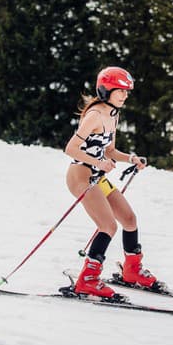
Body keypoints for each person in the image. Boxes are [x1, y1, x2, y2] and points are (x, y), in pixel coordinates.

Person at [63, 66, 160, 299]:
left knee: (129, 219)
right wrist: (99, 162)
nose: (125, 96)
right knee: (108, 225)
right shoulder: (95, 115)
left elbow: (110, 150)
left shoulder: (113, 115)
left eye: (127, 92)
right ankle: (87, 280)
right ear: (107, 89)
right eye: (121, 91)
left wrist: (131, 159)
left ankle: (132, 271)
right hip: (80, 175)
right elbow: (71, 148)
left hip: (98, 176)